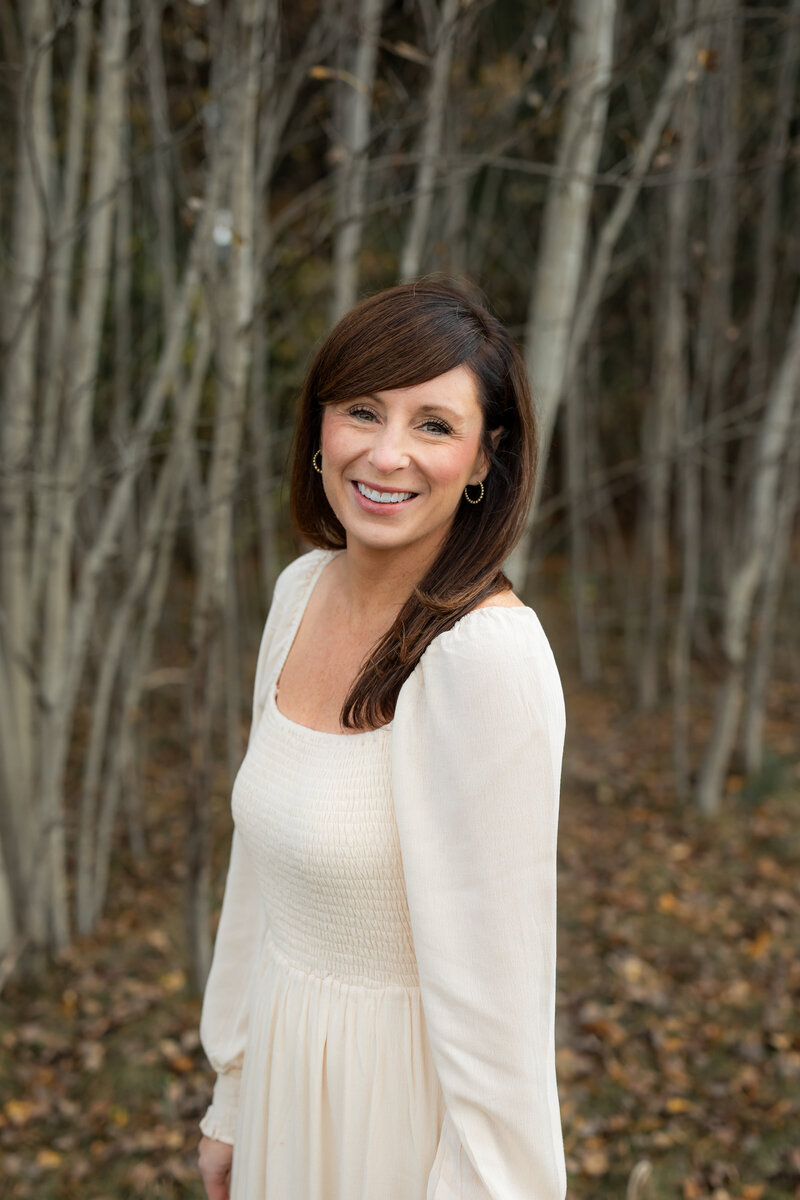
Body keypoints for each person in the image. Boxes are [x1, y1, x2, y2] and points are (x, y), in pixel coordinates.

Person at [197, 279, 567, 1200]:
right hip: (287, 1080)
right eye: (362, 410)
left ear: (485, 460)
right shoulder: (299, 593)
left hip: (401, 1120)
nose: (386, 453)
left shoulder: (485, 659)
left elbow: (503, 1004)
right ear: (320, 428)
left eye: (435, 425)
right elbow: (261, 879)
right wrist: (234, 1095)